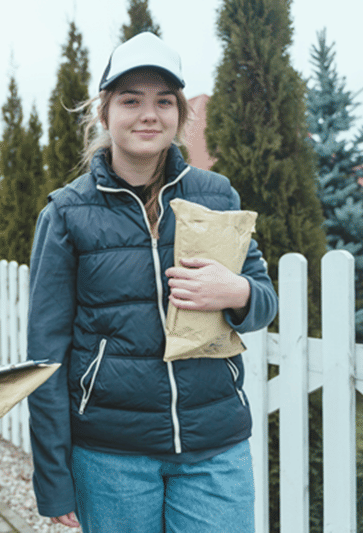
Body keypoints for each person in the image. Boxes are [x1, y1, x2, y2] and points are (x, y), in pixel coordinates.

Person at [26, 32, 278, 532]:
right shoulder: (67, 213)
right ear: (104, 113)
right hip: (111, 456)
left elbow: (265, 300)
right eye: (131, 100)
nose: (149, 114)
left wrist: (238, 292)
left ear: (180, 115)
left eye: (164, 101)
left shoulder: (216, 195)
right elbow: (46, 356)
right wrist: (53, 477)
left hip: (215, 448)